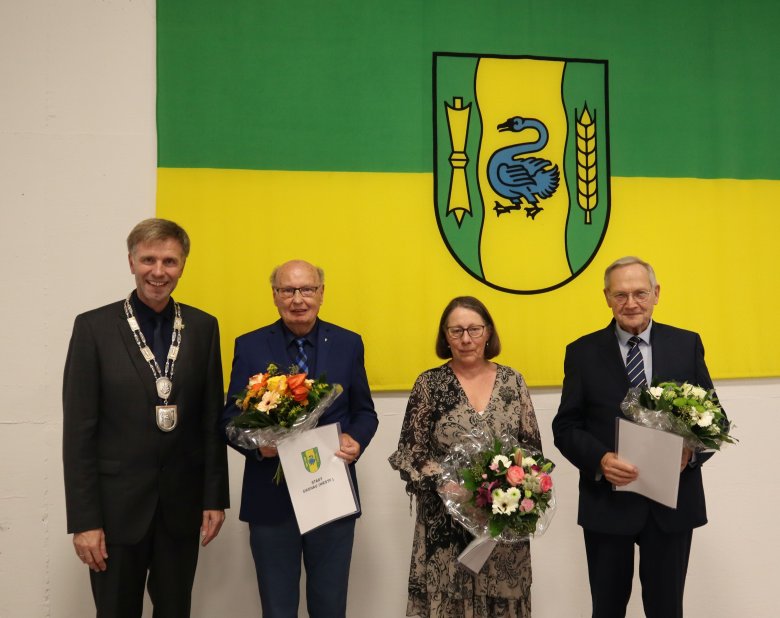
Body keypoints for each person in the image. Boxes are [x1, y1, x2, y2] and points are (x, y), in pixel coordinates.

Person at [62, 218, 230, 617]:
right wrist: (84, 521)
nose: (159, 272)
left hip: (181, 506)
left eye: (170, 261)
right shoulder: (93, 328)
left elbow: (211, 421)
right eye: (148, 260)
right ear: (131, 262)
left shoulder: (203, 327)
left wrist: (214, 496)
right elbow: (78, 434)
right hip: (115, 512)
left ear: (183, 265)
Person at [552, 256, 720, 618]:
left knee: (667, 609)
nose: (631, 303)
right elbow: (565, 427)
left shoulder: (686, 344)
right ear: (607, 298)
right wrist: (600, 460)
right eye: (621, 295)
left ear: (656, 293)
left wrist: (690, 453)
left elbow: (713, 418)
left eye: (640, 293)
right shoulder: (582, 352)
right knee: (607, 609)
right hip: (607, 505)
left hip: (672, 505)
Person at [220, 259, 378, 618]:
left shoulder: (348, 344)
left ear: (321, 293)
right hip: (270, 499)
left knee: (330, 606)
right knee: (278, 609)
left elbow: (364, 412)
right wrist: (258, 446)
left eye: (307, 289)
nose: (298, 299)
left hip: (330, 495)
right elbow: (229, 418)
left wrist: (356, 439)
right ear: (275, 296)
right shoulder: (250, 345)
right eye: (287, 290)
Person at [389, 296, 542, 618]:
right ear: (445, 336)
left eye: (474, 329)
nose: (466, 339)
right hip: (445, 524)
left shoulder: (513, 381)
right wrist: (450, 487)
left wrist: (506, 491)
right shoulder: (429, 384)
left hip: (501, 525)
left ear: (488, 332)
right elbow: (410, 451)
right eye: (456, 331)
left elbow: (531, 451)